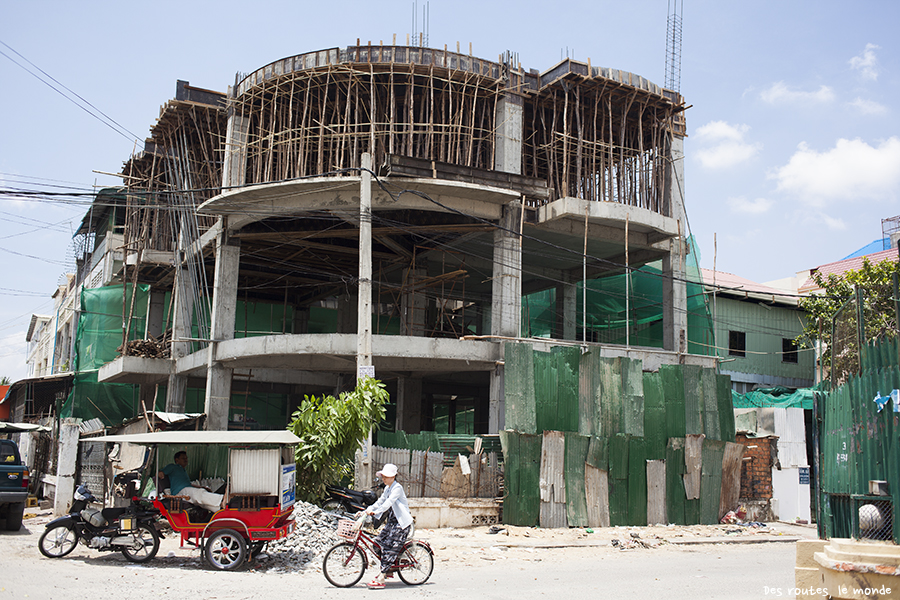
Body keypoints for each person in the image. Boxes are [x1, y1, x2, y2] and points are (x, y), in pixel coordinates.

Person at [361, 463, 413, 589]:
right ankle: (388, 567)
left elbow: (389, 503)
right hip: (392, 523)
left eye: (386, 476)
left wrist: (376, 512)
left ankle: (382, 577)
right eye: (383, 476)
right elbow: (380, 501)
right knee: (377, 544)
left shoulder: (397, 488)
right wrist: (367, 510)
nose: (383, 479)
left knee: (389, 547)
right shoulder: (387, 488)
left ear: (394, 476)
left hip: (401, 524)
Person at [158, 451, 224, 513]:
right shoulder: (173, 467)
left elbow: (189, 484)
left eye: (186, 458)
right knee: (198, 493)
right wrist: (161, 474)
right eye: (183, 458)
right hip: (180, 493)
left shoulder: (183, 470)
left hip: (186, 491)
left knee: (203, 503)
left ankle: (221, 508)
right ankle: (222, 499)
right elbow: (160, 473)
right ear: (177, 460)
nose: (185, 459)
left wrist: (202, 487)